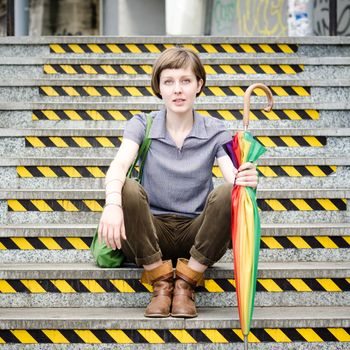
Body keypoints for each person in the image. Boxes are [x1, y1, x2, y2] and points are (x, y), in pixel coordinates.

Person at [98, 47, 258, 318]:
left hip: (197, 234)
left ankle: (186, 282)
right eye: (169, 82)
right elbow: (119, 165)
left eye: (185, 81)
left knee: (226, 192)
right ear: (159, 88)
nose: (177, 90)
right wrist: (113, 203)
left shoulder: (216, 130)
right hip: (150, 232)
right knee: (126, 187)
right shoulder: (142, 124)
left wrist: (248, 180)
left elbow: (233, 177)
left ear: (199, 85)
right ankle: (160, 283)